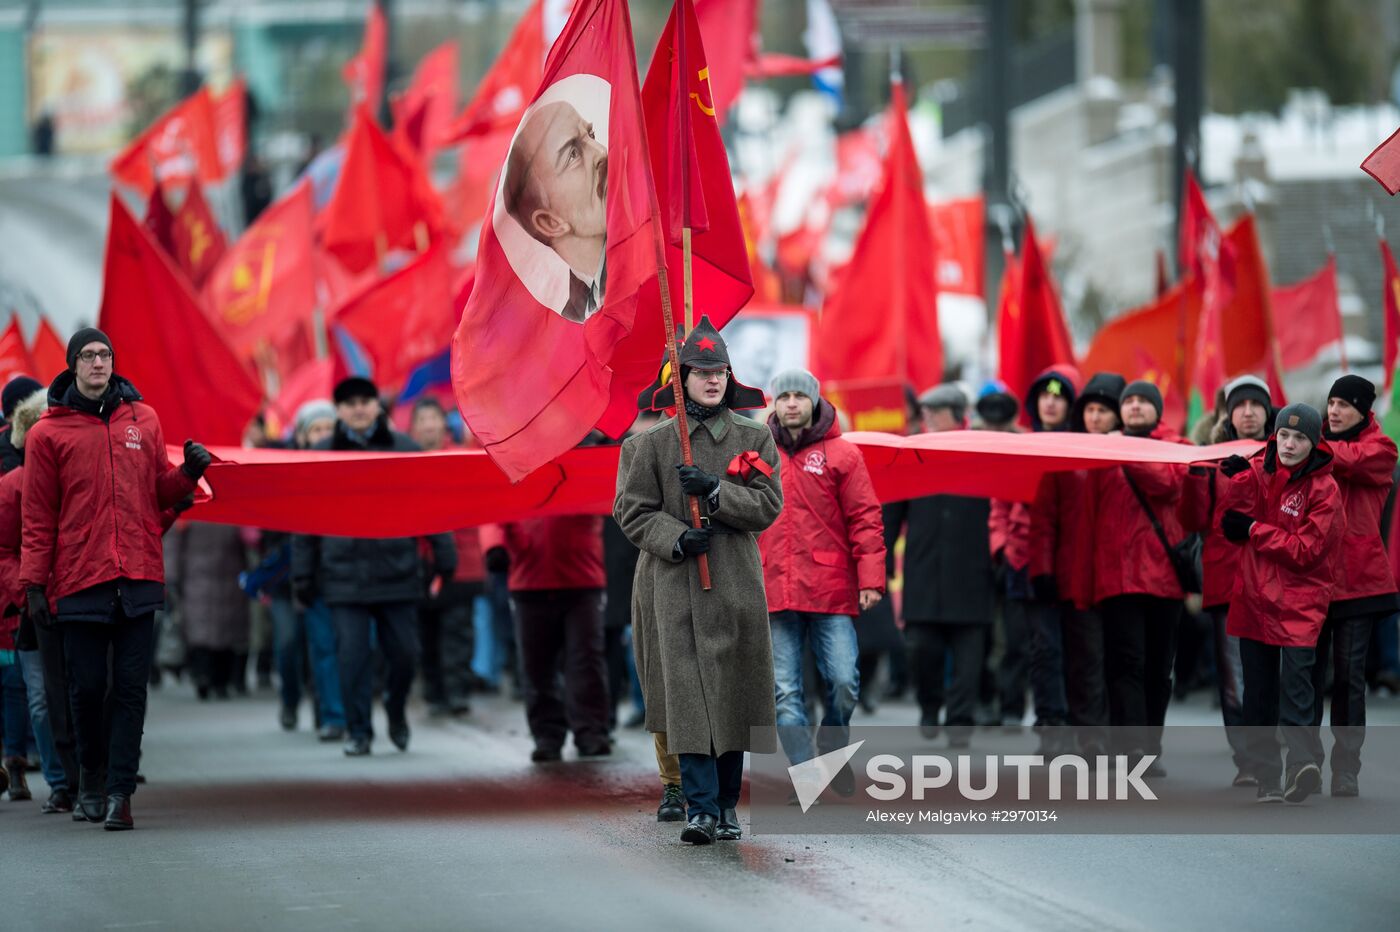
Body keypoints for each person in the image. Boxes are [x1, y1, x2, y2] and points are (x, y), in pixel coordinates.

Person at [21, 328, 209, 830]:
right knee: (86, 688)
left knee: (129, 689)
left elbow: (157, 491)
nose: (98, 363)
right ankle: (91, 777)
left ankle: (120, 793)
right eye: (88, 356)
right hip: (80, 578)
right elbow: (37, 516)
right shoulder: (47, 434)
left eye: (105, 355)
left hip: (139, 573)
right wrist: (34, 585)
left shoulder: (143, 419)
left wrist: (187, 475)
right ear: (72, 365)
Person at [615, 316, 782, 845]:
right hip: (674, 585)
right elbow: (631, 511)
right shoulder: (649, 445)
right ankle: (700, 809)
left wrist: (715, 492)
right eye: (702, 372)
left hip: (733, 579)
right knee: (687, 699)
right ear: (681, 378)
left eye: (720, 371)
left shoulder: (755, 436)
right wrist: (677, 537)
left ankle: (727, 806)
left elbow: (767, 505)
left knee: (734, 696)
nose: (713, 380)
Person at [290, 377, 457, 757]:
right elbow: (305, 517)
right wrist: (303, 573)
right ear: (339, 410)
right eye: (350, 403)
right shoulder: (321, 454)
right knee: (352, 658)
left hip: (397, 571)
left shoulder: (405, 449)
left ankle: (396, 709)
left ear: (376, 406)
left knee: (404, 655)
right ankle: (359, 730)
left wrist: (444, 553)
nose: (359, 408)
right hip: (343, 576)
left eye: (365, 401)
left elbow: (429, 505)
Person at [760, 368, 884, 793]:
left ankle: (832, 747)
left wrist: (871, 580)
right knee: (785, 692)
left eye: (800, 395)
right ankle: (808, 774)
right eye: (784, 396)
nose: (791, 403)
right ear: (774, 403)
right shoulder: (758, 453)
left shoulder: (844, 454)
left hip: (830, 589)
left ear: (814, 401)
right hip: (774, 588)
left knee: (845, 682)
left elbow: (865, 519)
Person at [1219, 404, 1340, 803]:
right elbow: (1229, 522)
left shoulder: (1325, 489)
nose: (1289, 445)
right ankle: (1267, 776)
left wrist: (1255, 530)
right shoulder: (1257, 470)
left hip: (1301, 604)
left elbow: (1306, 550)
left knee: (1297, 688)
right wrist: (1238, 480)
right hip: (1254, 598)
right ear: (1274, 436)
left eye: (1300, 438)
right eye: (1284, 435)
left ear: (1314, 443)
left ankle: (1301, 765)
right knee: (1258, 694)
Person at [886, 384, 994, 748]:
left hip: (973, 574)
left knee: (969, 660)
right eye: (924, 410)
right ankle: (930, 705)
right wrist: (882, 562)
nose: (927, 416)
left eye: (936, 409)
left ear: (958, 414)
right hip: (924, 574)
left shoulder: (983, 453)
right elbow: (891, 513)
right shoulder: (912, 453)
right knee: (921, 650)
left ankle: (960, 722)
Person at [1088, 380, 1186, 769]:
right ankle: (1130, 747)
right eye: (1128, 400)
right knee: (1125, 663)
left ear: (1157, 410)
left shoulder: (1177, 447)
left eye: (1144, 401)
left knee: (1158, 669)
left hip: (1164, 578)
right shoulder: (1102, 450)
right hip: (1117, 578)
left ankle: (1150, 746)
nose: (1134, 406)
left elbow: (1167, 484)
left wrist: (1123, 450)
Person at [1181, 374, 1273, 786]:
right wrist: (1195, 477)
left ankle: (1272, 753)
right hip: (1227, 582)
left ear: (1267, 412)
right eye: (1240, 406)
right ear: (1228, 414)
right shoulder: (1210, 458)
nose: (1248, 412)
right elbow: (1191, 519)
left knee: (1273, 675)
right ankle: (1247, 761)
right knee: (1233, 677)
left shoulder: (1287, 452)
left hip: (1274, 582)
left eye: (1255, 405)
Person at [1031, 372, 1125, 757]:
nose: (1095, 417)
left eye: (1103, 410)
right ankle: (1090, 737)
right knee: (1083, 660)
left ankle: (1124, 739)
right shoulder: (1065, 456)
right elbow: (1044, 519)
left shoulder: (1135, 454)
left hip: (1123, 580)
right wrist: (1042, 570)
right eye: (1090, 410)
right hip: (1077, 580)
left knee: (1122, 663)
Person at [1313, 375, 1398, 797]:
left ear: (1364, 411)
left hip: (1359, 582)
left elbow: (1352, 460)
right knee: (1305, 677)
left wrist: (1305, 444)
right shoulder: (1309, 445)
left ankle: (1346, 768)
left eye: (1344, 404)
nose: (1334, 411)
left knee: (1348, 679)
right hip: (1310, 577)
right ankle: (1304, 763)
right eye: (1331, 403)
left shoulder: (1382, 449)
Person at [482, 515, 610, 760]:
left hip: (580, 577)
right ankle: (548, 735)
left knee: (585, 661)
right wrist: (494, 545)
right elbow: (494, 511)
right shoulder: (515, 486)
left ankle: (591, 732)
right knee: (537, 665)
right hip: (532, 578)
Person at [0, 387, 68, 809]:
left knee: (81, 694)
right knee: (38, 699)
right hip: (32, 611)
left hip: (79, 602)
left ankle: (84, 779)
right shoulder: (12, 486)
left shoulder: (78, 477)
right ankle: (59, 782)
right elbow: (3, 549)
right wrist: (27, 593)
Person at [410, 398, 484, 718]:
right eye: (422, 419)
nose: (428, 425)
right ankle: (434, 692)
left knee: (458, 631)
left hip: (460, 561)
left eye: (433, 418)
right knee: (425, 632)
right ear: (413, 427)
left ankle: (457, 691)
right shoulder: (404, 462)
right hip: (418, 562)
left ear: (444, 423)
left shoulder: (462, 458)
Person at [503, 100, 607, 322]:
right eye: (573, 154)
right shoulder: (572, 322)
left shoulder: (656, 264)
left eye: (592, 135)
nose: (602, 152)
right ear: (550, 222)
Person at [1019, 367, 1079, 750]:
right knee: (1044, 649)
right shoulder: (1021, 447)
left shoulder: (1086, 447)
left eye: (1058, 396)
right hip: (1031, 566)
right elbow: (1003, 504)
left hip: (1077, 567)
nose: (1051, 402)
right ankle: (1050, 723)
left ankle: (1078, 722)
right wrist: (1006, 550)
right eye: (1044, 395)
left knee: (1076, 648)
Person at [169, 522, 251, 699]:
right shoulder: (229, 512)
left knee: (218, 630)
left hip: (216, 577)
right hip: (202, 577)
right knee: (204, 630)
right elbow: (174, 542)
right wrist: (172, 576)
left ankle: (211, 677)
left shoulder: (191, 515)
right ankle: (207, 676)